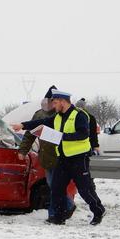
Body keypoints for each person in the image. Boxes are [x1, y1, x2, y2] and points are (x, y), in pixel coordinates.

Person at [11, 89, 105, 225]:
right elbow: (42, 122)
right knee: (56, 188)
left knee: (85, 190)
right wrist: (23, 125)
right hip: (63, 158)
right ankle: (59, 217)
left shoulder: (79, 115)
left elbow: (83, 134)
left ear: (62, 101)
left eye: (55, 103)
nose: (53, 106)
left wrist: (62, 137)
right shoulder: (58, 117)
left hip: (79, 159)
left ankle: (98, 211)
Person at [17, 86, 75, 221]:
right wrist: (23, 150)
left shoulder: (63, 114)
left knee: (55, 187)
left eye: (55, 101)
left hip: (61, 155)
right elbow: (29, 134)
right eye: (51, 101)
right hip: (47, 156)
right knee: (53, 186)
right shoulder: (40, 114)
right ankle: (65, 207)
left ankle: (55, 214)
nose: (52, 104)